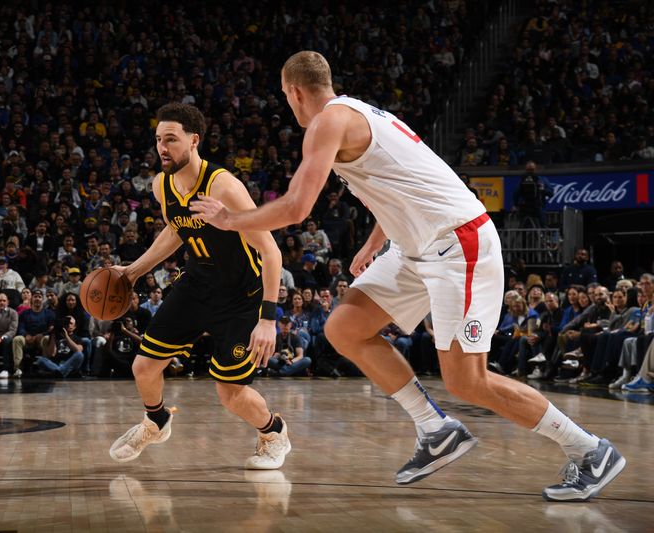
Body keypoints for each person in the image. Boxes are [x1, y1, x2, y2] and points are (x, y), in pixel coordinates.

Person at [190, 51, 624, 501]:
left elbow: (298, 207)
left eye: (286, 97)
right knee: (344, 327)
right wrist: (375, 241)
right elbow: (406, 179)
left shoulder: (326, 123)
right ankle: (435, 429)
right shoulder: (360, 113)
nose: (289, 105)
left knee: (465, 380)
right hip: (416, 247)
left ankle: (590, 450)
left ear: (295, 92)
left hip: (459, 244)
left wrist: (230, 220)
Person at [108, 103, 291, 470]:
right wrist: (132, 271)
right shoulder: (163, 186)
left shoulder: (224, 186)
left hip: (241, 296)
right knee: (144, 366)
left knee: (230, 393)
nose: (162, 147)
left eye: (171, 139)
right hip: (197, 285)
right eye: (159, 139)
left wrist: (268, 319)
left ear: (194, 141)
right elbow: (176, 230)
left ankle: (274, 433)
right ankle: (156, 422)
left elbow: (271, 252)